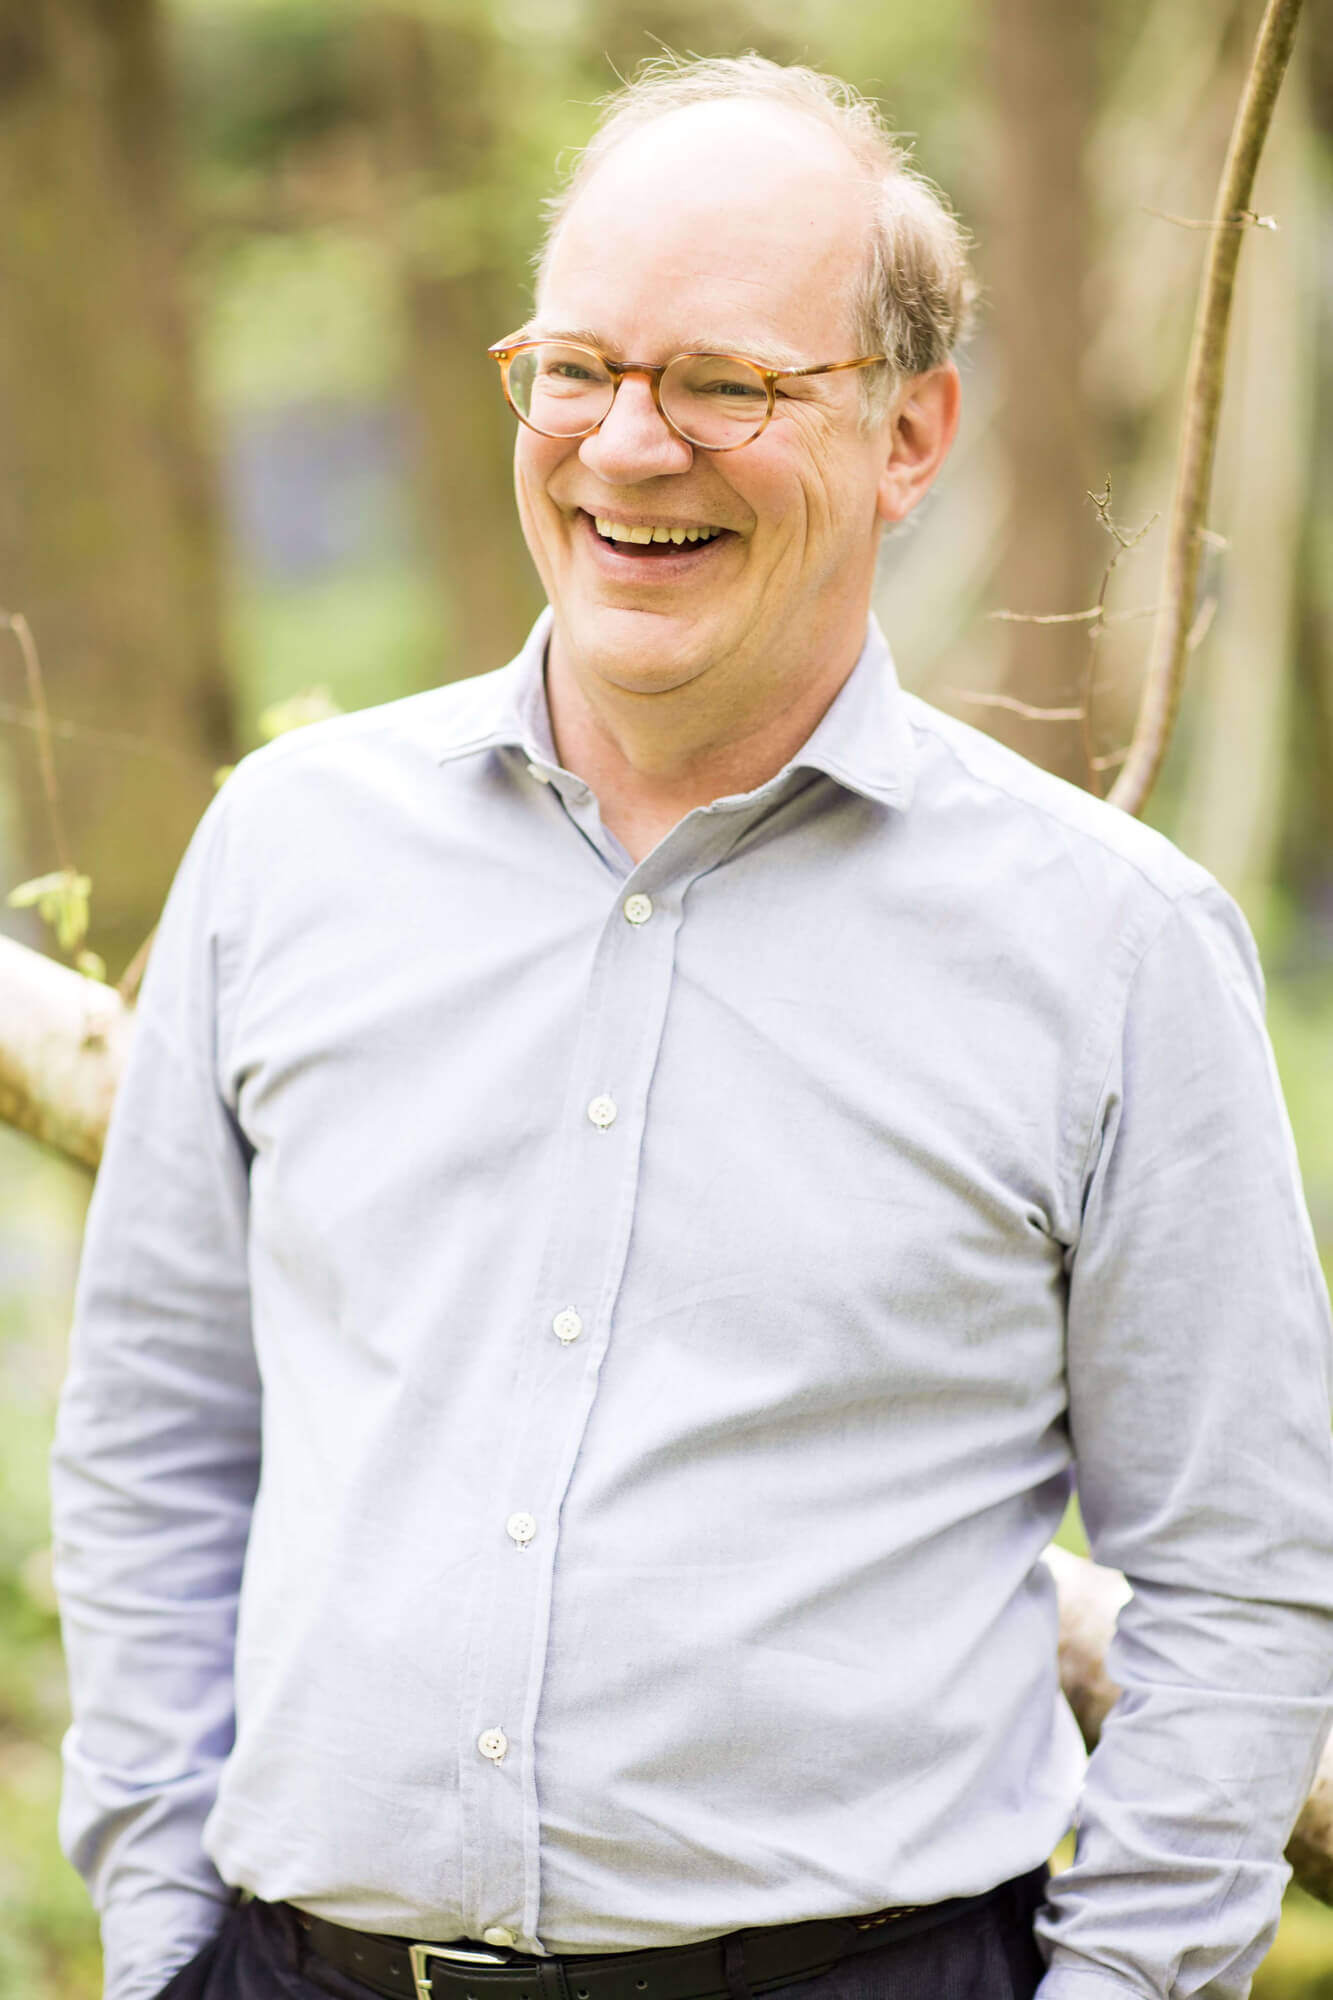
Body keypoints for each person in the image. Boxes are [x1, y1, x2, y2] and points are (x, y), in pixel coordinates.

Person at [51, 52, 1333, 2000]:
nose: (627, 445)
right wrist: (154, 1940)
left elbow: (1244, 1576)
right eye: (578, 366)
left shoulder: (1108, 949)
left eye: (723, 383)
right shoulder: (287, 852)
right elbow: (155, 1444)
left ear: (914, 434)